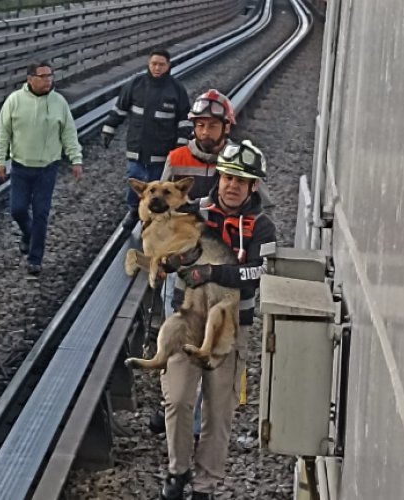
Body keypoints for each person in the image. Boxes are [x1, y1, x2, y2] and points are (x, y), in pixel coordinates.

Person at [158, 140, 277, 500]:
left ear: (253, 186)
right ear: (218, 178)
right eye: (227, 177)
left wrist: (212, 272)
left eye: (241, 180)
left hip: (230, 328)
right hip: (187, 318)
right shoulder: (192, 213)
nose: (232, 186)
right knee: (177, 399)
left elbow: (257, 273)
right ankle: (178, 470)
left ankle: (206, 486)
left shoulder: (262, 227)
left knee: (218, 410)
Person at [147, 89, 237, 436]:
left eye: (213, 126)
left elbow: (259, 204)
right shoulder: (177, 157)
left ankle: (195, 419)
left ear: (225, 128)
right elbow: (159, 206)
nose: (206, 133)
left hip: (216, 269)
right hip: (183, 263)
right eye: (201, 125)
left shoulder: (236, 161)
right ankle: (170, 403)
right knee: (176, 329)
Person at [0, 61, 83, 276]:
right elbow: (3, 132)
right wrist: (0, 160)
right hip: (21, 166)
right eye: (42, 76)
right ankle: (28, 234)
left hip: (47, 167)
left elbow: (69, 133)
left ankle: (35, 259)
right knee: (18, 210)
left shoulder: (59, 102)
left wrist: (75, 159)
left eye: (50, 76)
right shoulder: (14, 101)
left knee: (41, 213)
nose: (47, 80)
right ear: (30, 79)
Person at [100, 48, 192, 230]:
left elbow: (184, 120)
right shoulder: (135, 85)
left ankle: (155, 224)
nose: (157, 68)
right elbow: (120, 109)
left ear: (168, 66)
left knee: (158, 193)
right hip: (137, 150)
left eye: (161, 64)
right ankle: (133, 212)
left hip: (162, 154)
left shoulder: (176, 90)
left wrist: (180, 146)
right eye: (153, 64)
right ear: (149, 64)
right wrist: (109, 129)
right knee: (135, 184)